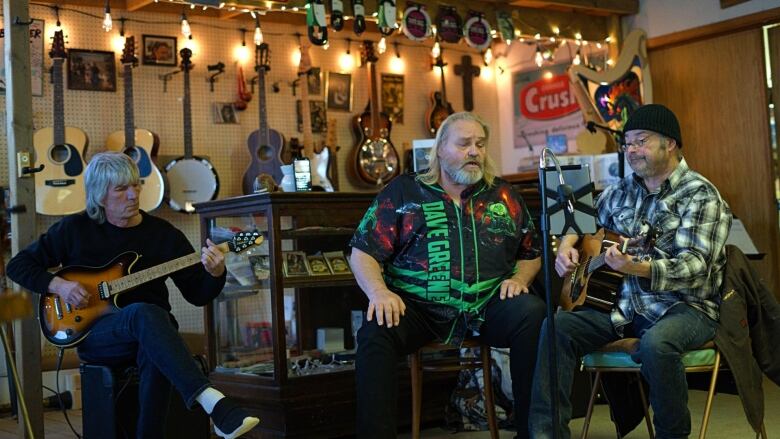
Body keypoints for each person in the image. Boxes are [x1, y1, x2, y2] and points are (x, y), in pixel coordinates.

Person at [6, 152, 259, 439]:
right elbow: (18, 266)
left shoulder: (163, 234)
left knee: (153, 340)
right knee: (144, 312)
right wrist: (59, 286)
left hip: (153, 333)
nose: (133, 194)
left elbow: (197, 295)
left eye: (136, 185)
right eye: (121, 188)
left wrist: (215, 273)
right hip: (98, 335)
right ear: (101, 196)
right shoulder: (74, 229)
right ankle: (213, 402)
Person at [529, 104, 733, 439]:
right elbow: (582, 220)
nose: (631, 150)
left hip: (685, 308)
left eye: (641, 140)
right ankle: (546, 434)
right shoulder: (622, 189)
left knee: (656, 343)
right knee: (556, 326)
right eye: (628, 143)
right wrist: (567, 247)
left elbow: (696, 267)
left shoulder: (701, 195)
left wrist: (636, 267)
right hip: (621, 309)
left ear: (670, 143)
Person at [350, 111, 545, 439]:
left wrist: (520, 279)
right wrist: (380, 293)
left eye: (480, 145)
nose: (474, 152)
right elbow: (362, 252)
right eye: (464, 143)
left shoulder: (504, 195)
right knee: (374, 331)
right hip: (416, 309)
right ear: (439, 150)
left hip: (486, 307)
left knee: (533, 314)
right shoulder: (404, 192)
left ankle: (533, 432)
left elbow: (531, 253)